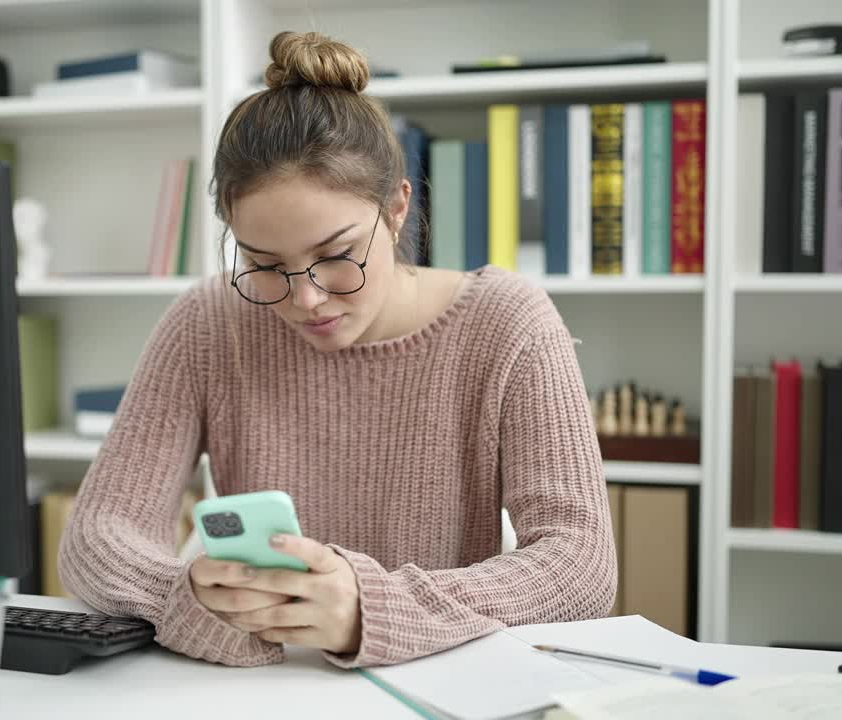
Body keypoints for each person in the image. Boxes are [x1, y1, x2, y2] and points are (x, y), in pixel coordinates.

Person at [59, 30, 615, 669]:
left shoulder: (508, 322)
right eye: (265, 265)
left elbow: (580, 563)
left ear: (398, 207)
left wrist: (372, 609)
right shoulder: (208, 322)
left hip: (438, 689)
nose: (307, 299)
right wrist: (182, 595)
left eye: (336, 255)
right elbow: (96, 538)